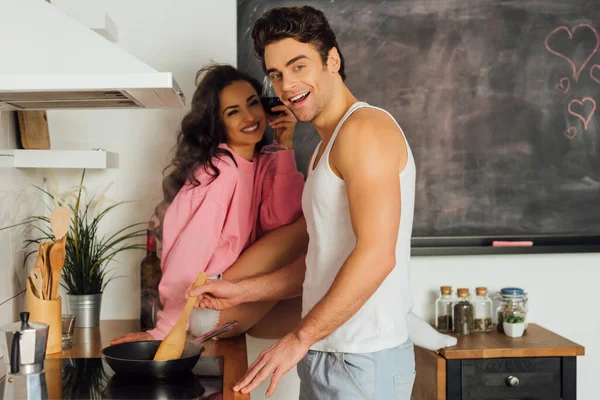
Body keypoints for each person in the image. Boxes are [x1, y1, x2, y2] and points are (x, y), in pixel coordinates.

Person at [187, 5, 455, 399]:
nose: (286, 84)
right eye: (276, 74)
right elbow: (321, 263)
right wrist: (242, 291)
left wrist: (297, 338)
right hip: (330, 354)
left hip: (364, 361)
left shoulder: (364, 131)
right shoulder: (324, 148)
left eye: (298, 66)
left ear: (332, 59)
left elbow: (377, 256)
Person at [111, 64, 308, 345]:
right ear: (218, 123)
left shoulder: (263, 162)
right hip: (203, 306)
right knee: (314, 223)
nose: (249, 116)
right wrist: (166, 328)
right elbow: (190, 251)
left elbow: (281, 220)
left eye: (253, 104)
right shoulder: (221, 170)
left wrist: (285, 145)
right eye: (233, 112)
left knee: (325, 298)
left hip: (229, 306)